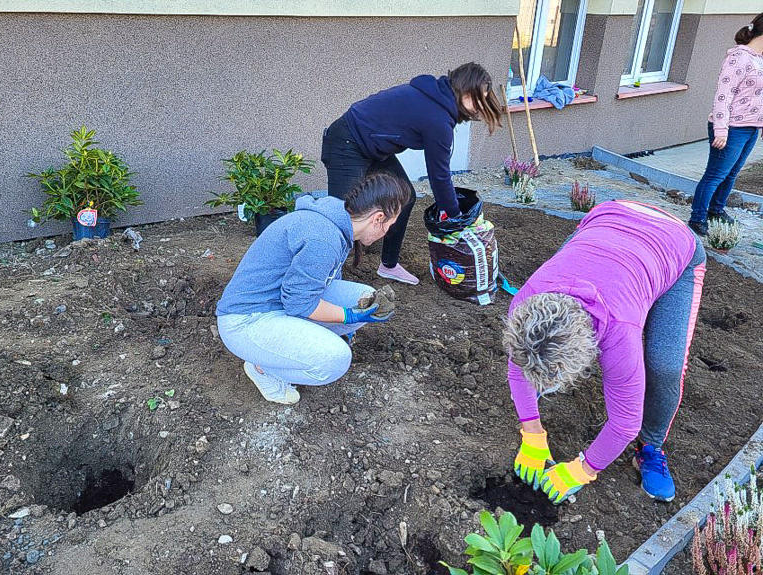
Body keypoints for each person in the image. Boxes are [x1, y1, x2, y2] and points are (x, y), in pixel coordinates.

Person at [504, 200, 706, 504]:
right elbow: (517, 365)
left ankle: (650, 448)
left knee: (664, 364)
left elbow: (625, 423)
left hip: (674, 244)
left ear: (587, 355)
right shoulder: (526, 301)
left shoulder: (618, 331)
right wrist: (532, 433)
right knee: (535, 355)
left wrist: (582, 470)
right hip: (608, 218)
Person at [215, 173, 411, 405]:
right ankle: (264, 368)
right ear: (378, 218)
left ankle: (290, 348)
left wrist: (350, 315)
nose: (387, 232)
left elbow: (321, 282)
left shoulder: (336, 223)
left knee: (365, 298)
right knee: (335, 360)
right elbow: (299, 303)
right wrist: (348, 316)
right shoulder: (323, 239)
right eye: (389, 225)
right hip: (245, 321)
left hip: (279, 303)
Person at [321, 62, 503, 285]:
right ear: (461, 88)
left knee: (404, 196)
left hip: (372, 148)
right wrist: (456, 218)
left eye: (482, 100)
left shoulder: (438, 98)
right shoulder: (438, 118)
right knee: (341, 215)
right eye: (475, 98)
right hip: (346, 142)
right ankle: (323, 279)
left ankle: (388, 265)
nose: (478, 106)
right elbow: (439, 176)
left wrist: (452, 212)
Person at [688, 13, 763, 236]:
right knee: (715, 175)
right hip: (731, 129)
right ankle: (697, 218)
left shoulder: (760, 58)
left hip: (751, 128)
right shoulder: (738, 57)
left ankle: (716, 210)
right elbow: (724, 95)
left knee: (732, 174)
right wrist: (721, 129)